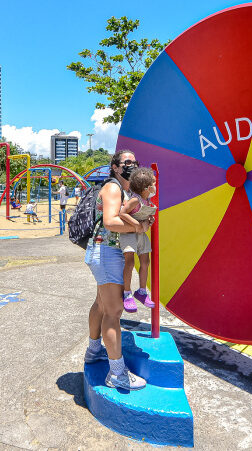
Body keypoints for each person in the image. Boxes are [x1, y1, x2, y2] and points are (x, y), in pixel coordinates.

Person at [84, 150, 149, 391]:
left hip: (103, 252)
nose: (132, 165)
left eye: (135, 162)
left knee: (102, 305)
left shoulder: (126, 191)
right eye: (126, 162)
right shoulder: (113, 188)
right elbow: (110, 221)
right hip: (107, 253)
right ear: (115, 167)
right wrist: (139, 227)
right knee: (113, 312)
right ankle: (117, 373)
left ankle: (94, 351)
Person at [118, 167, 157, 313]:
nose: (155, 186)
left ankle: (142, 291)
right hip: (129, 234)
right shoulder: (135, 200)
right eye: (153, 183)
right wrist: (137, 224)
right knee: (130, 263)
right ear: (146, 187)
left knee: (145, 262)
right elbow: (122, 213)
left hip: (140, 234)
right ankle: (127, 293)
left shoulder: (147, 200)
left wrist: (149, 220)